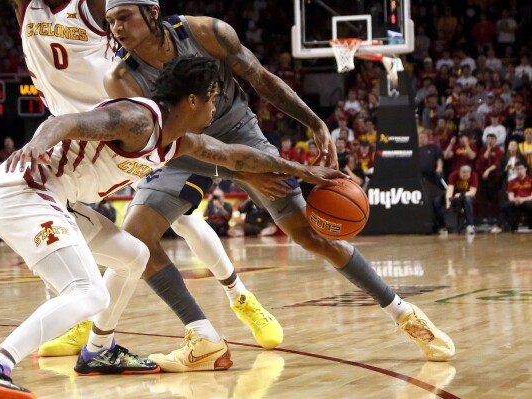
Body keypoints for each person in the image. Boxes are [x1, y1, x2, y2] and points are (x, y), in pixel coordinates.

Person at [0, 56, 346, 399]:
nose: (216, 108)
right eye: (213, 98)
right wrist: (37, 143)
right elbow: (67, 121)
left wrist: (303, 171)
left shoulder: (180, 141)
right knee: (87, 293)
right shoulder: (138, 119)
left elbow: (234, 156)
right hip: (24, 190)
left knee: (134, 254)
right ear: (193, 99)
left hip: (58, 199)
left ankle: (99, 350)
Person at [104, 0, 454, 370]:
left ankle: (405, 314)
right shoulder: (121, 78)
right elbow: (164, 146)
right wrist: (239, 173)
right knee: (136, 239)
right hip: (179, 151)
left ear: (152, 14)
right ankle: (203, 336)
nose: (117, 28)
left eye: (124, 17)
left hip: (240, 136)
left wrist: (314, 122)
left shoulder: (206, 32)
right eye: (110, 21)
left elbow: (261, 79)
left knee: (312, 236)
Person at [10, 0, 285, 359]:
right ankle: (85, 323)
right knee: (68, 226)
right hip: (71, 132)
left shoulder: (87, 7)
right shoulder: (28, 9)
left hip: (125, 122)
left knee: (182, 220)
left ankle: (240, 296)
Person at [493, 161, 532, 233]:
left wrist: (522, 200)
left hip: (527, 201)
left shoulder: (530, 180)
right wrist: (516, 200)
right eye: (517, 169)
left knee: (530, 205)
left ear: (525, 169)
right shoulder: (512, 182)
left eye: (521, 168)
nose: (519, 171)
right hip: (516, 202)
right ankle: (498, 226)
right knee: (504, 206)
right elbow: (510, 197)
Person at [444, 165, 478, 235]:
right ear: (459, 172)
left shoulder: (474, 176)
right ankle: (448, 226)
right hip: (455, 197)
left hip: (468, 196)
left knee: (467, 200)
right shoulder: (453, 175)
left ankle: (470, 225)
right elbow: (450, 189)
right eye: (463, 174)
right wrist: (448, 202)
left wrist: (461, 195)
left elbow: (473, 192)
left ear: (470, 173)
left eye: (467, 174)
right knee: (442, 201)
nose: (465, 176)